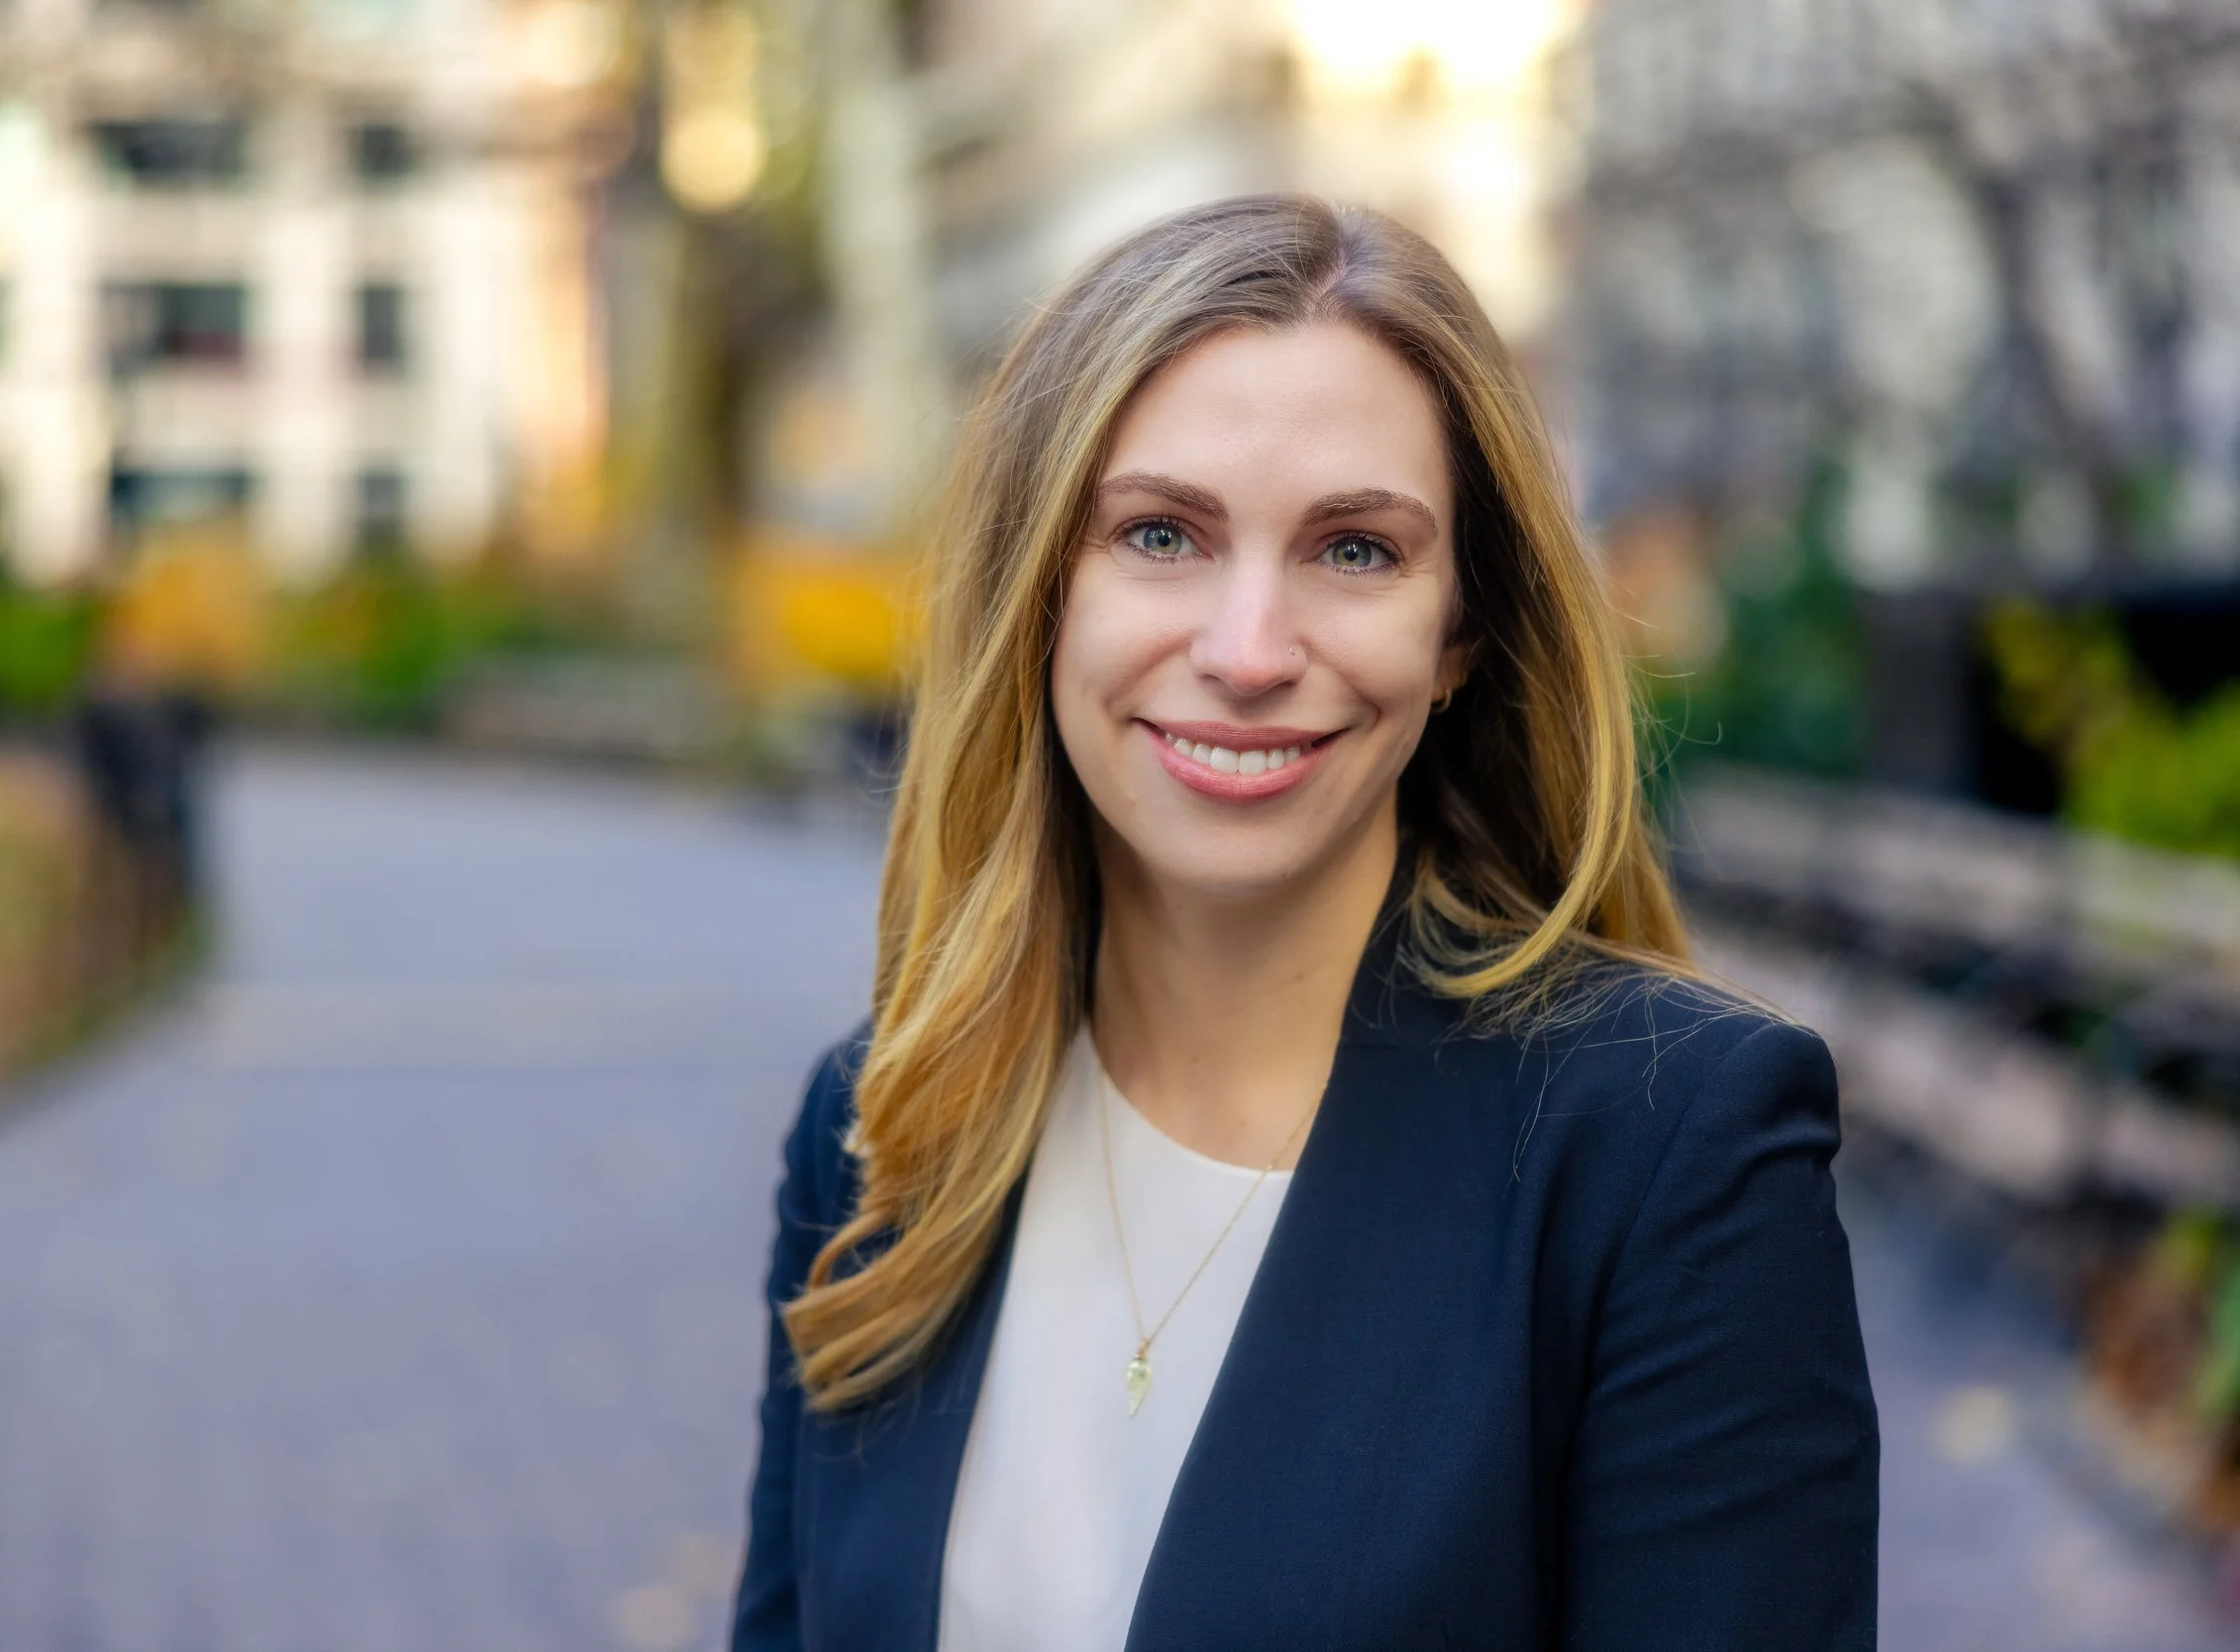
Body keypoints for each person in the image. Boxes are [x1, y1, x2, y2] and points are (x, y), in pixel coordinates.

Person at [730, 195, 1878, 1652]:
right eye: (1160, 534)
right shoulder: (886, 1128)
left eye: (1355, 552)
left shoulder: (1667, 1150)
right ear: (1040, 595)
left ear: (1461, 629)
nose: (1249, 652)